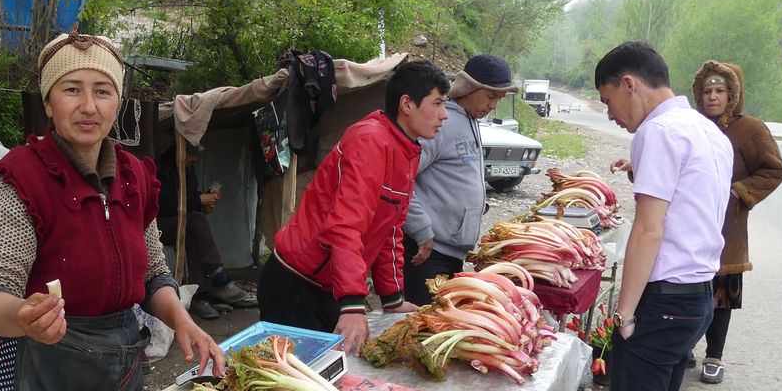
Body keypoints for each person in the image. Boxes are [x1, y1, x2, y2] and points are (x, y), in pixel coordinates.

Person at [0, 29, 225, 391]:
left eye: (102, 91)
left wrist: (183, 321)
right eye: (72, 89)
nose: (89, 106)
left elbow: (153, 273)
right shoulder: (17, 179)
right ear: (49, 102)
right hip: (39, 368)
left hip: (119, 364)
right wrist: (23, 316)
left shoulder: (133, 176)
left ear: (117, 102)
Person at [555, 42, 732, 391]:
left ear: (630, 83)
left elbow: (649, 231)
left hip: (663, 303)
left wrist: (625, 313)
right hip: (697, 297)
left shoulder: (657, 132)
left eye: (609, 100)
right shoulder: (705, 130)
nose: (610, 113)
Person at [256, 59, 451, 355]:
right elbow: (346, 225)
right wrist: (351, 303)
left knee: (337, 366)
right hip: (296, 284)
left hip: (329, 284)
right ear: (407, 104)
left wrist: (392, 298)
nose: (444, 114)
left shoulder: (406, 150)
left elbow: (390, 229)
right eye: (437, 103)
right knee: (295, 373)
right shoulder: (370, 141)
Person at [690, 60, 782, 384]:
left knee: (721, 291)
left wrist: (738, 192)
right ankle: (685, 346)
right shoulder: (693, 126)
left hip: (728, 226)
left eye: (720, 90)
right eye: (707, 91)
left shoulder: (751, 129)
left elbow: (773, 170)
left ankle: (714, 355)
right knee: (688, 284)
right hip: (692, 222)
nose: (712, 97)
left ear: (733, 94)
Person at [402, 54, 519, 305]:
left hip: (451, 252)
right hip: (428, 252)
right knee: (429, 322)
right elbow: (400, 178)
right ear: (468, 88)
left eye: (498, 99)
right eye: (490, 96)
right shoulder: (440, 124)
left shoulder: (470, 120)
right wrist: (421, 229)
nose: (493, 105)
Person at [156, 143, 258, 320]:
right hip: (157, 224)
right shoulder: (161, 168)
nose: (194, 158)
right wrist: (199, 200)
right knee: (196, 221)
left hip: (182, 221)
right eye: (190, 154)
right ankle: (218, 278)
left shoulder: (188, 168)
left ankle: (200, 296)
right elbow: (163, 205)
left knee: (194, 233)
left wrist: (205, 199)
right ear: (179, 151)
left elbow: (189, 199)